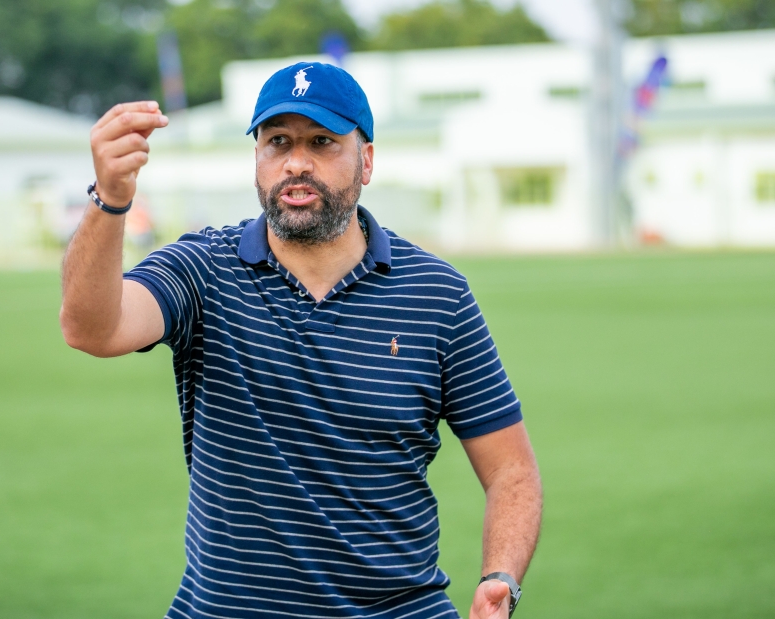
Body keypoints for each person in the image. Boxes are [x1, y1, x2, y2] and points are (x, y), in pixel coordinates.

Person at [61, 62, 542, 619]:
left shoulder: (437, 293)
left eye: (322, 142)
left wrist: (500, 578)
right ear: (257, 157)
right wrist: (110, 198)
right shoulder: (202, 269)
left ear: (366, 160)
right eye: (278, 142)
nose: (296, 162)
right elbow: (90, 328)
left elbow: (512, 470)